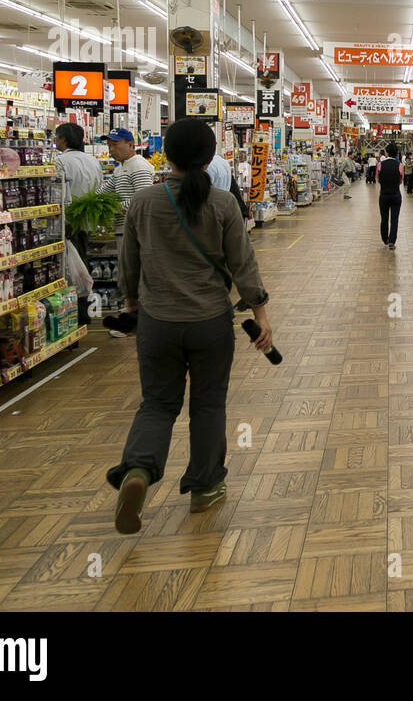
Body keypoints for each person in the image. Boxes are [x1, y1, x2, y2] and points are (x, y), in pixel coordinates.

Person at [107, 118, 273, 534]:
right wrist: (260, 313)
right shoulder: (223, 203)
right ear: (210, 157)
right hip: (210, 322)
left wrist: (130, 303)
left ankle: (139, 471)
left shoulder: (144, 201)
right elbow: (242, 263)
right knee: (208, 405)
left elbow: (129, 261)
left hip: (158, 322)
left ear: (168, 155)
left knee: (158, 403)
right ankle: (204, 487)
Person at [53, 123, 102, 329]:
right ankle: (84, 311)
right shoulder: (92, 161)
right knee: (83, 263)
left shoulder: (60, 161)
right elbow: (100, 188)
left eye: (56, 137)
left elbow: (58, 193)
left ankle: (76, 315)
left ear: (63, 140)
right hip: (88, 221)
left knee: (69, 269)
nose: (55, 140)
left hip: (67, 223)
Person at [99, 128, 156, 225]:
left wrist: (112, 208)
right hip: (124, 229)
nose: (111, 149)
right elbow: (102, 192)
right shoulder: (119, 169)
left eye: (115, 144)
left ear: (130, 145)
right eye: (109, 145)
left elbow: (143, 199)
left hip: (136, 229)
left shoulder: (138, 166)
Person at [377, 142, 403, 250]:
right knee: (394, 219)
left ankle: (385, 239)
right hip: (396, 194)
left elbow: (377, 179)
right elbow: (401, 181)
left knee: (384, 218)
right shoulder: (400, 165)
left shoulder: (380, 164)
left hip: (384, 195)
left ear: (386, 153)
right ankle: (392, 241)